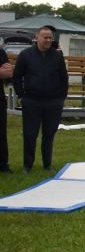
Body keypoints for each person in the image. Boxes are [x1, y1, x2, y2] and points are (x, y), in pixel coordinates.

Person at [12, 25, 68, 172]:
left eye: (50, 37)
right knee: (30, 134)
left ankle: (47, 164)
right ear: (37, 38)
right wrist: (21, 95)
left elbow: (64, 77)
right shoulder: (25, 55)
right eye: (45, 37)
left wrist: (62, 96)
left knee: (49, 134)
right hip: (32, 100)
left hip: (53, 101)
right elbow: (17, 76)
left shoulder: (57, 56)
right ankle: (27, 165)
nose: (48, 40)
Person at [0, 44, 13, 173]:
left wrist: (7, 72)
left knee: (1, 133)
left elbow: (8, 73)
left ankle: (3, 165)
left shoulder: (1, 52)